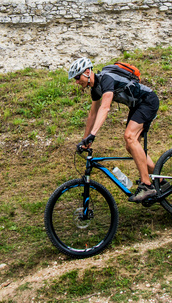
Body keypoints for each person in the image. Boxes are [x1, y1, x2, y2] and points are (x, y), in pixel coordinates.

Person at [68, 57, 160, 202]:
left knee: (129, 136)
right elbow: (92, 115)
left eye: (77, 77)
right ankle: (159, 180)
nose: (77, 81)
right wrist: (85, 140)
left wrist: (93, 134)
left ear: (87, 72)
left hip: (148, 101)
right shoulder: (95, 90)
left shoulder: (106, 79)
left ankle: (146, 185)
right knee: (131, 146)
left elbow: (105, 108)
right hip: (137, 106)